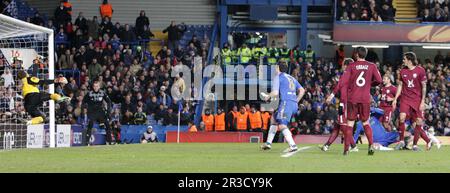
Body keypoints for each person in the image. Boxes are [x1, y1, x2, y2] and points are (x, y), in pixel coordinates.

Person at [339, 46, 382, 156]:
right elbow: (379, 80)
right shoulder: (371, 66)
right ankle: (371, 145)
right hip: (365, 99)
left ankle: (346, 149)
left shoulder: (351, 66)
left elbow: (344, 80)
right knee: (366, 123)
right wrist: (370, 84)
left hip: (353, 98)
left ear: (357, 54)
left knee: (350, 124)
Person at [260, 61, 306, 152]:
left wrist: (267, 96)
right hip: (292, 104)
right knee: (274, 119)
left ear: (277, 68)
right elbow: (302, 90)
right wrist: (296, 101)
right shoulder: (291, 78)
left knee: (281, 125)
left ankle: (293, 145)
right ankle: (268, 143)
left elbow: (275, 92)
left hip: (286, 103)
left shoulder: (278, 77)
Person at [392, 52, 433, 151]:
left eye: (404, 59)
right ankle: (401, 141)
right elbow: (400, 85)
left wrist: (423, 101)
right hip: (405, 98)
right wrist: (395, 99)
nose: (403, 60)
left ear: (409, 60)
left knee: (418, 122)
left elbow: (424, 86)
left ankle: (415, 145)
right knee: (401, 118)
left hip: (417, 100)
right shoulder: (402, 71)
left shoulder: (420, 70)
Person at [321, 58, 358, 152]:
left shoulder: (346, 73)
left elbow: (339, 85)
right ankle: (326, 146)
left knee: (343, 126)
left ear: (346, 66)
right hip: (350, 102)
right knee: (337, 126)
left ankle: (353, 146)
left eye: (343, 64)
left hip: (344, 103)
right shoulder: (354, 75)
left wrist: (331, 96)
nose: (341, 66)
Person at [82, 81, 113, 145]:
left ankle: (109, 141)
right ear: (93, 87)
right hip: (92, 111)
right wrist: (84, 108)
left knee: (107, 125)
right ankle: (87, 142)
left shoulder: (102, 93)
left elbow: (109, 101)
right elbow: (83, 101)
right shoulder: (89, 93)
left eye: (97, 86)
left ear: (99, 86)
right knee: (90, 125)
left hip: (100, 111)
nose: (96, 87)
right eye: (94, 86)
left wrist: (108, 111)